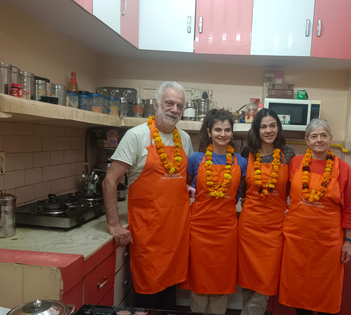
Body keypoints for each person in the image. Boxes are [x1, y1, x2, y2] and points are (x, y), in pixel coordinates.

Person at [102, 81, 194, 309]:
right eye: (169, 103)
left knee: (169, 297)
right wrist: (114, 224)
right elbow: (109, 181)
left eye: (179, 106)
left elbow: (187, 180)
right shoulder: (136, 136)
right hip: (147, 233)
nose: (174, 109)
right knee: (147, 297)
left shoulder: (185, 139)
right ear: (155, 104)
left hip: (176, 233)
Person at [279, 118, 351, 315]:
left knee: (325, 292)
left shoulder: (343, 169)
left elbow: (350, 207)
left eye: (323, 135)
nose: (319, 140)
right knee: (298, 288)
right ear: (307, 141)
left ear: (331, 138)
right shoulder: (296, 163)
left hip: (328, 243)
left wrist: (348, 240)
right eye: (314, 136)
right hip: (297, 240)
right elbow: (286, 193)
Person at [180, 109, 247, 314]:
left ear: (231, 133)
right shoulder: (196, 159)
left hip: (226, 229)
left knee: (221, 278)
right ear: (209, 132)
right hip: (199, 227)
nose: (222, 134)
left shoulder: (240, 162)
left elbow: (241, 192)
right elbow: (184, 187)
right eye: (218, 129)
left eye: (227, 130)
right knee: (199, 278)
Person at [238, 108, 295, 315]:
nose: (268, 130)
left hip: (275, 227)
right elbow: (242, 184)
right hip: (250, 225)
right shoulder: (248, 153)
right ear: (257, 130)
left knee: (266, 278)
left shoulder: (288, 153)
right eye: (263, 126)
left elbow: (293, 187)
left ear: (278, 128)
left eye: (272, 125)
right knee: (247, 278)